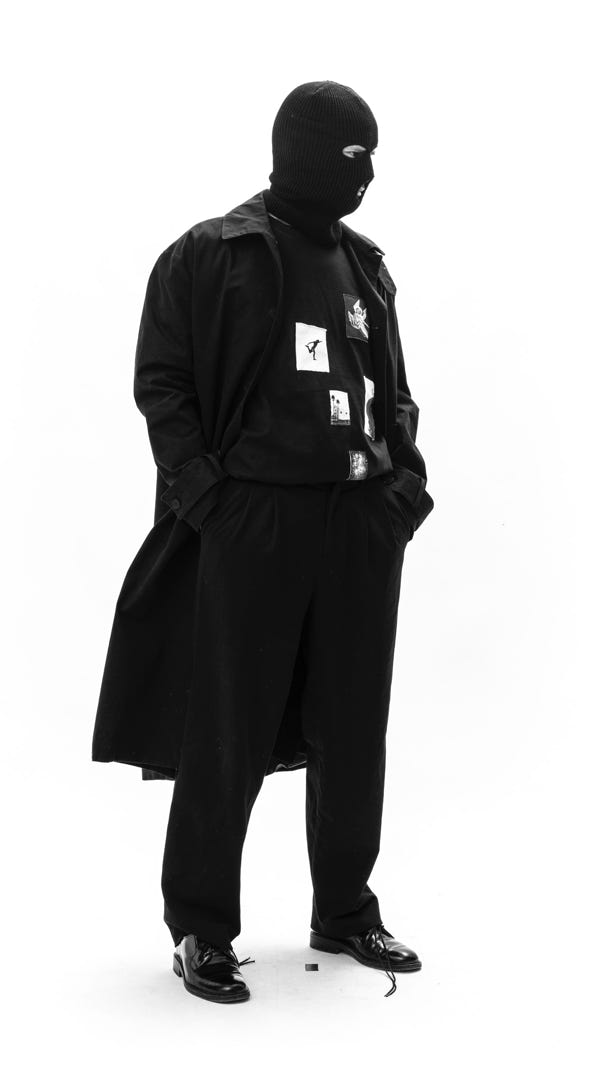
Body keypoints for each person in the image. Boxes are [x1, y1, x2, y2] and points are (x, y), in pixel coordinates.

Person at [92, 80, 434, 1005]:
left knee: (354, 726)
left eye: (374, 156)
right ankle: (201, 929)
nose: (368, 174)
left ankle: (345, 910)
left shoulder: (367, 266)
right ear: (308, 151)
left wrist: (404, 490)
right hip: (255, 522)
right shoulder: (213, 253)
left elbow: (395, 391)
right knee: (227, 729)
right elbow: (162, 383)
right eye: (354, 154)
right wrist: (209, 498)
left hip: (360, 523)